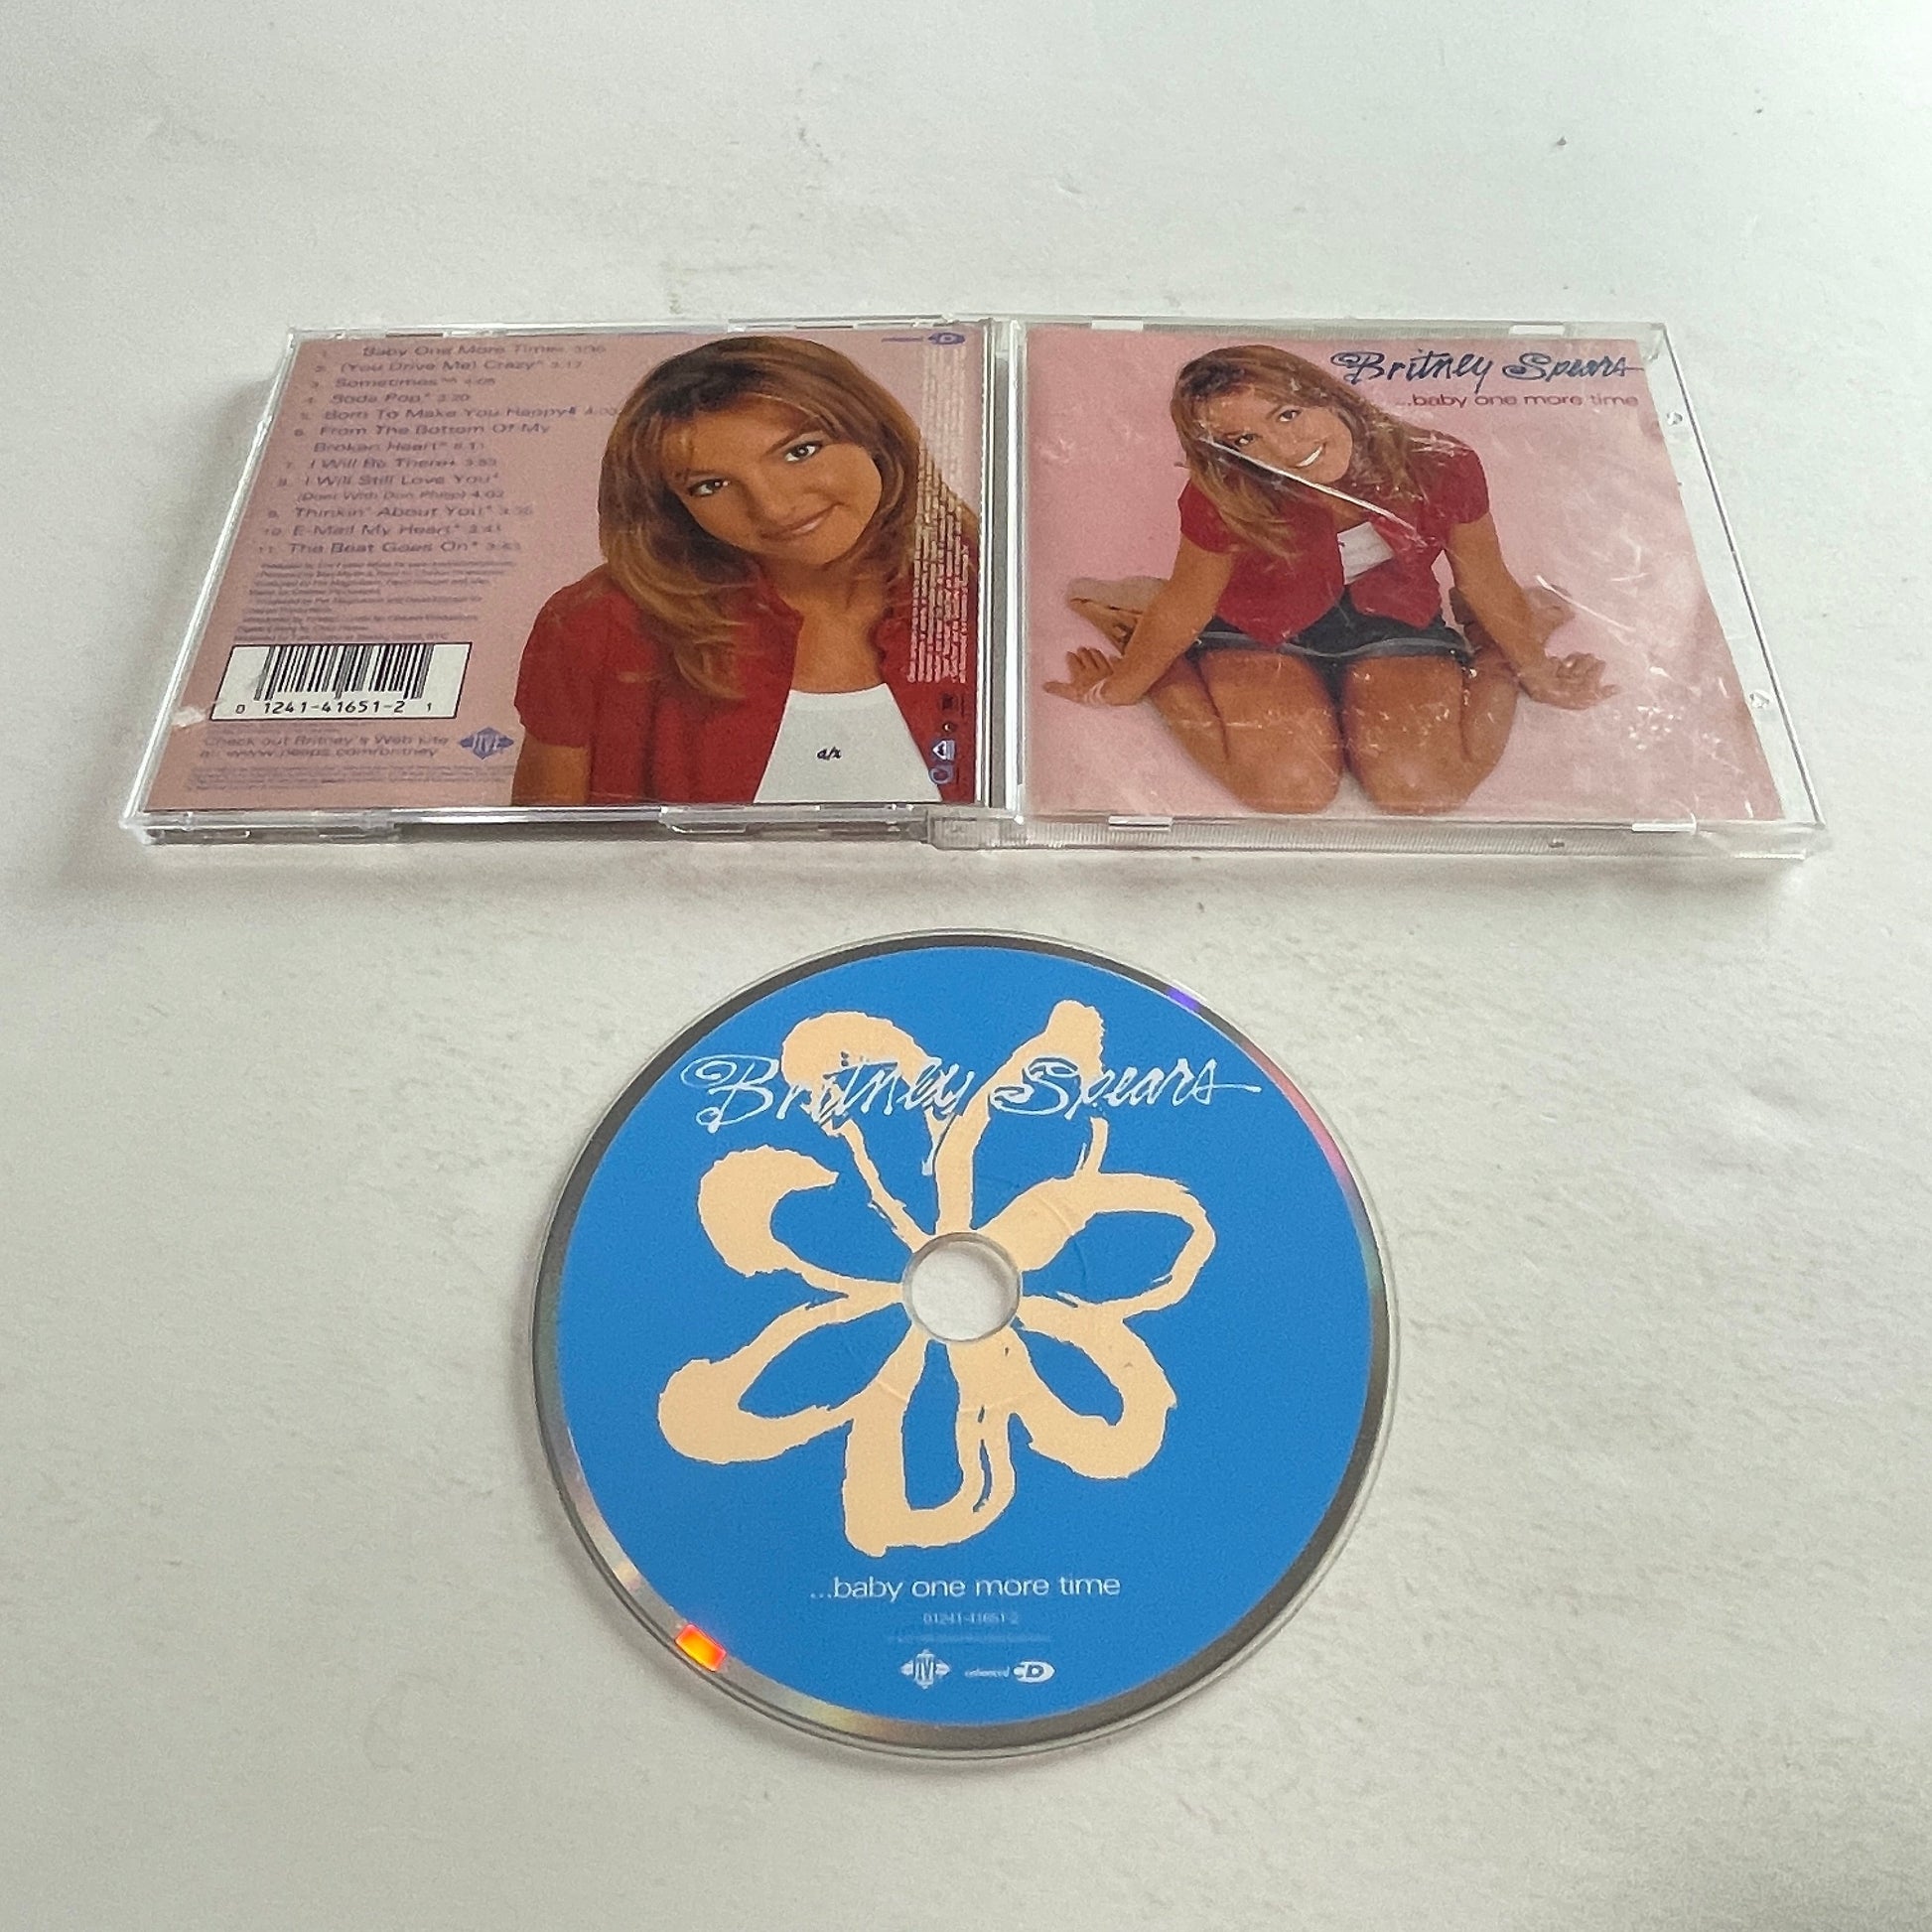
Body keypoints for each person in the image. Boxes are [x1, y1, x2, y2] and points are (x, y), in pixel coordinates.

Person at [1045, 344, 1612, 814]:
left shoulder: (1440, 463)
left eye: (1286, 415)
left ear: (1326, 394)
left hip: (1394, 621)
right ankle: (1155, 655)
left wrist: (1534, 670)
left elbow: (1484, 580)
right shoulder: (1225, 491)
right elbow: (1185, 607)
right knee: (1288, 791)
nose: (1283, 449)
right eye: (1244, 440)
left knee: (1423, 790)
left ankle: (1492, 648)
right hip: (1258, 628)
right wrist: (1121, 687)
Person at [512, 337, 976, 807]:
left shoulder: (994, 587)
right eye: (711, 485)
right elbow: (547, 845)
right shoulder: (598, 625)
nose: (773, 508)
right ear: (672, 508)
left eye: (800, 452)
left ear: (875, 438)